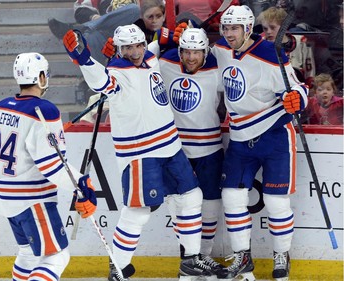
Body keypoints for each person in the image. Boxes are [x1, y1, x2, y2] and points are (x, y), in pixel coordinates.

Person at [62, 25, 215, 281]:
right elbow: (101, 82)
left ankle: (190, 260)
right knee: (138, 212)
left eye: (138, 46)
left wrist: (166, 35)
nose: (134, 52)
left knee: (190, 196)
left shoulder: (150, 58)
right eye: (128, 47)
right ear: (120, 50)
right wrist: (84, 59)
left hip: (170, 146)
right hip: (140, 153)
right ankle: (118, 268)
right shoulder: (117, 72)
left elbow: (156, 43)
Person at [0, 53, 98, 281]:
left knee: (28, 254)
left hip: (4, 199)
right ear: (41, 76)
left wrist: (4, 184)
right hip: (33, 200)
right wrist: (81, 185)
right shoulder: (45, 111)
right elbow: (50, 165)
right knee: (57, 257)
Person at [210, 5, 309, 280]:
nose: (229, 34)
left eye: (234, 28)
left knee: (276, 202)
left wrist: (296, 100)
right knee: (232, 197)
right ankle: (242, 258)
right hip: (241, 138)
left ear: (247, 28)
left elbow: (299, 90)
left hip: (275, 135)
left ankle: (281, 255)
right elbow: (191, 58)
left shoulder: (269, 55)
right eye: (226, 28)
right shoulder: (220, 50)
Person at [158, 28, 225, 274]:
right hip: (176, 150)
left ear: (205, 51)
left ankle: (203, 257)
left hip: (210, 149)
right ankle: (188, 258)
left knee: (209, 206)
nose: (191, 58)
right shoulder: (165, 62)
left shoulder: (218, 68)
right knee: (178, 207)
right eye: (186, 51)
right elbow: (137, 64)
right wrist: (157, 40)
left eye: (196, 52)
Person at [257, 6, 316, 87]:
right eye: (265, 28)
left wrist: (310, 89)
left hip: (297, 90)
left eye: (272, 27)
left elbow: (309, 73)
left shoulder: (301, 42)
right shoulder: (259, 43)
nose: (268, 32)